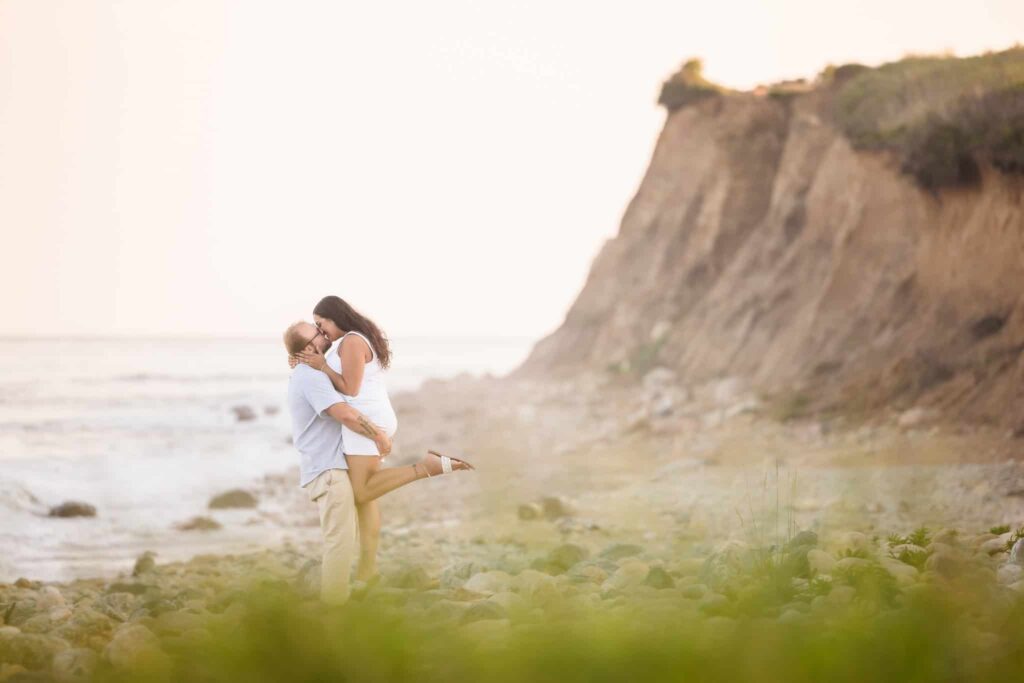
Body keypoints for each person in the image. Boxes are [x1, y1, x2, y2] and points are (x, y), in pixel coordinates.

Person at [290, 295, 473, 583]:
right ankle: (367, 569)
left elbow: (350, 389)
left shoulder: (350, 341)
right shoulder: (352, 340)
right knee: (367, 498)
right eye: (316, 327)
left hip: (365, 423)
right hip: (371, 421)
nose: (321, 329)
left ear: (334, 316)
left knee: (362, 493)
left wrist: (323, 367)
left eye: (320, 323)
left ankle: (426, 466)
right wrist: (308, 359)